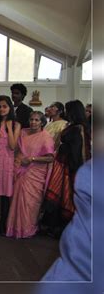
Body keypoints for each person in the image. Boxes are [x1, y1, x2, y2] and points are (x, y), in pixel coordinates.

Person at [41, 100, 91, 238]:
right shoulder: (74, 126)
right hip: (62, 165)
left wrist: (75, 172)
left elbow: (78, 152)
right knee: (59, 197)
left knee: (65, 197)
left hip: (69, 168)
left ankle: (62, 229)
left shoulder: (78, 129)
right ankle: (54, 227)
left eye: (68, 110)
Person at [6, 111, 54, 238]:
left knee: (30, 203)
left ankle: (27, 229)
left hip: (34, 174)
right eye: (31, 119)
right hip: (19, 169)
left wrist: (32, 159)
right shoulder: (23, 133)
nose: (33, 122)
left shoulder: (45, 136)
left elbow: (50, 158)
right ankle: (15, 229)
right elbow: (15, 149)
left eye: (37, 120)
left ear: (42, 122)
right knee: (16, 200)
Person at [0, 95, 21, 234]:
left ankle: (4, 225)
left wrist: (9, 127)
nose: (2, 109)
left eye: (5, 106)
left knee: (6, 195)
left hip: (7, 161)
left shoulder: (15, 124)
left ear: (10, 107)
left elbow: (13, 146)